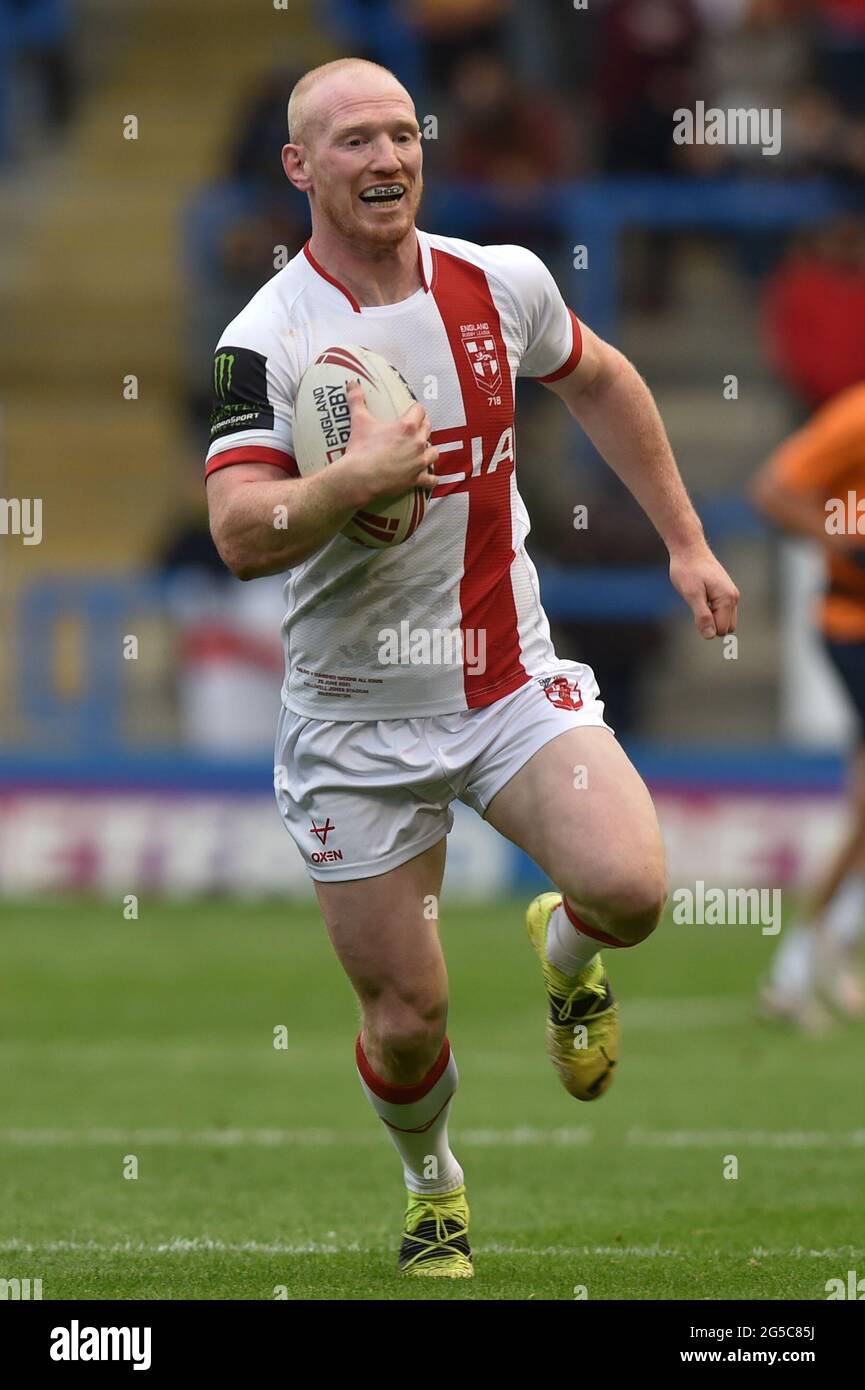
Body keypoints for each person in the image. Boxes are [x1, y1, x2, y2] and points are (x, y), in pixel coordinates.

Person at [204, 57, 739, 1278]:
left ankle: (568, 951)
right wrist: (348, 485)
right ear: (299, 167)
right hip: (352, 722)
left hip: (504, 681)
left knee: (634, 890)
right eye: (351, 142)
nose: (385, 159)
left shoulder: (499, 282)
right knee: (406, 1022)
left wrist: (686, 542)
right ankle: (431, 1181)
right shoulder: (265, 339)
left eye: (400, 134)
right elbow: (240, 534)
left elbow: (599, 378)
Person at [752, 382, 865, 1029]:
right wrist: (848, 544)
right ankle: (809, 958)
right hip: (854, 625)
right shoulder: (854, 416)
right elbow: (772, 491)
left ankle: (809, 960)